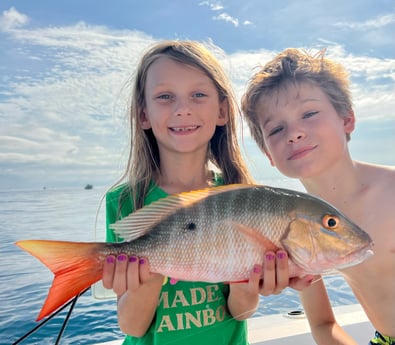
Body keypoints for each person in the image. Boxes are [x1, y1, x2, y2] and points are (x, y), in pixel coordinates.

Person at [100, 40, 307, 345]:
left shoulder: (241, 197)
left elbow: (241, 311)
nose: (183, 109)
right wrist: (155, 264)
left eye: (198, 95)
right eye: (165, 96)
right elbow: (132, 326)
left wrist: (246, 283)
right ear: (143, 115)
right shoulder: (124, 202)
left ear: (222, 110)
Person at [241, 47, 395, 345]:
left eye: (309, 114)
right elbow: (323, 325)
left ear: (347, 119)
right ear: (268, 154)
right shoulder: (297, 227)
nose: (294, 133)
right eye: (276, 129)